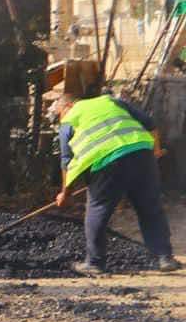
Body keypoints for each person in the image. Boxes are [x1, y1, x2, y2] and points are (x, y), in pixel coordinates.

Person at [53, 89, 178, 274]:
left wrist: (65, 193)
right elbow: (150, 123)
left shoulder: (69, 121)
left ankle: (94, 263)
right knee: (150, 208)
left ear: (68, 106)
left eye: (58, 114)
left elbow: (66, 161)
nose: (59, 119)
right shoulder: (110, 101)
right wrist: (155, 150)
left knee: (98, 209)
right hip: (142, 153)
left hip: (107, 162)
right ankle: (164, 257)